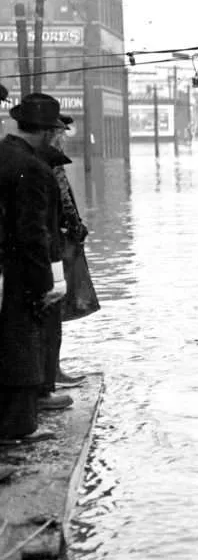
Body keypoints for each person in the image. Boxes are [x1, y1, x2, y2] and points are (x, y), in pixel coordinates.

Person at [0, 94, 69, 443]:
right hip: (17, 274)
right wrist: (44, 283)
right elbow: (33, 233)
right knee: (22, 345)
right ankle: (18, 428)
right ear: (45, 133)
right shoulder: (35, 170)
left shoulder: (3, 155)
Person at [37, 117, 96, 391]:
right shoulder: (52, 161)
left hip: (48, 242)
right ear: (53, 133)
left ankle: (49, 372)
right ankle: (51, 374)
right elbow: (64, 199)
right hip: (56, 245)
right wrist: (76, 226)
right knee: (54, 307)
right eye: (62, 132)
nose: (65, 137)